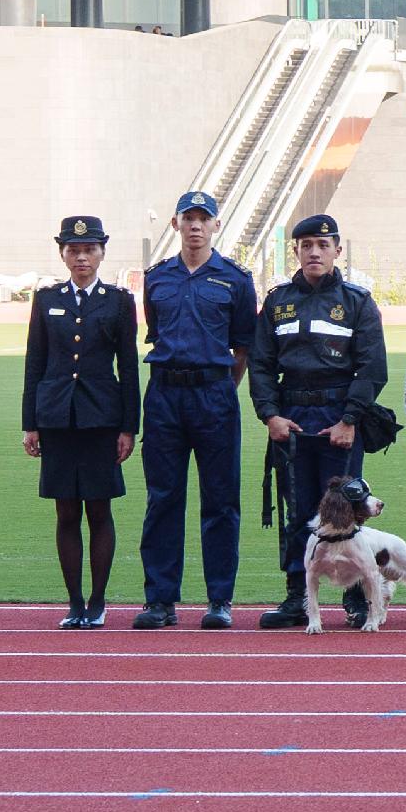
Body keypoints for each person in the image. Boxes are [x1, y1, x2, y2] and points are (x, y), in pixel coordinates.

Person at [251, 213, 386, 630]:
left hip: (338, 419)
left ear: (337, 251)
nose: (314, 252)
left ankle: (357, 599)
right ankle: (297, 596)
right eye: (306, 245)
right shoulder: (277, 302)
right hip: (291, 421)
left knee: (346, 512)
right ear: (296, 250)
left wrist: (350, 420)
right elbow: (260, 365)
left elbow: (372, 368)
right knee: (298, 513)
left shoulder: (357, 302)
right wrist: (270, 415)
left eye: (323, 245)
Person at [136, 190, 260, 629]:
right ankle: (161, 601)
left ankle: (219, 600)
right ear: (175, 225)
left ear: (215, 226)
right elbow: (155, 331)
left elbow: (243, 346)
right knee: (163, 498)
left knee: (221, 501)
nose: (195, 226)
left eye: (203, 219)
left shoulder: (236, 280)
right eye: (187, 218)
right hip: (165, 396)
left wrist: (223, 389)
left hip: (214, 396)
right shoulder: (157, 279)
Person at [22, 215, 140, 628]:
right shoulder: (46, 299)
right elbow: (35, 362)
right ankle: (73, 602)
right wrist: (30, 423)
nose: (81, 257)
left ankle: (97, 600)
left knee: (99, 511)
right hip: (56, 417)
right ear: (63, 254)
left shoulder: (119, 301)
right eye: (73, 250)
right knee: (66, 512)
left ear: (102, 253)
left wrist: (129, 428)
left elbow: (128, 367)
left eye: (89, 249)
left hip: (100, 419)